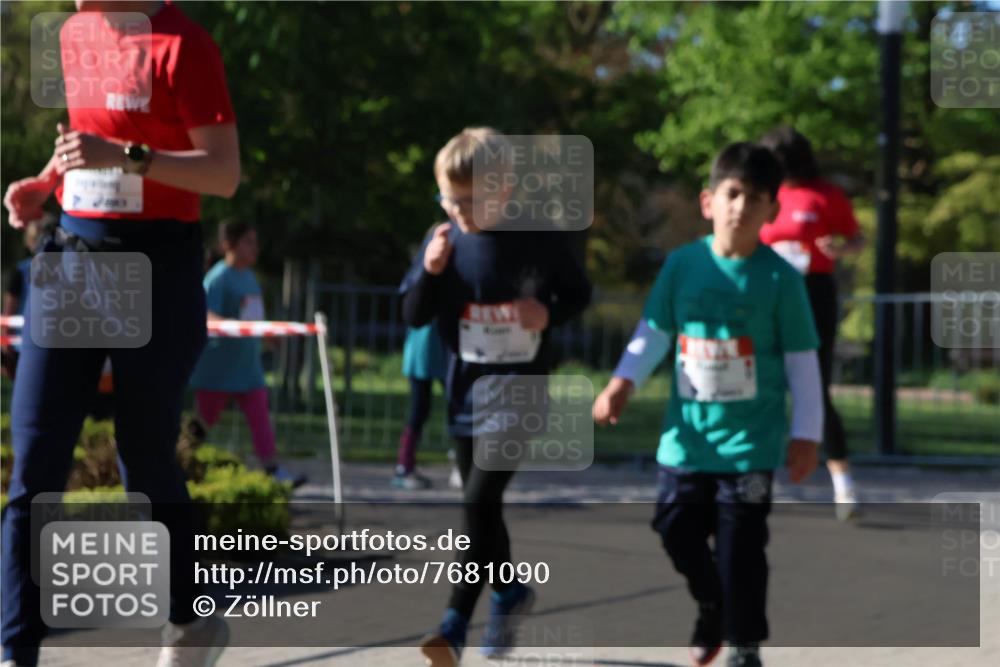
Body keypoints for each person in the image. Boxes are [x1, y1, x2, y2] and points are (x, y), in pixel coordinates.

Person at [1, 2, 240, 666]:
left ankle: (190, 620)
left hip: (156, 266)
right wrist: (46, 183)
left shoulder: (184, 45)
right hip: (73, 257)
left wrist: (129, 156)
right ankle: (14, 651)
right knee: (36, 464)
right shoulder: (76, 35)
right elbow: (87, 136)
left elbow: (222, 172)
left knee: (145, 459)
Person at [593, 142, 823, 667]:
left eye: (756, 197)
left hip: (751, 443)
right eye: (733, 193)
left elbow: (802, 361)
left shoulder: (780, 280)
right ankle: (711, 602)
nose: (741, 206)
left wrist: (806, 434)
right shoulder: (682, 265)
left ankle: (744, 644)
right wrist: (622, 382)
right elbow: (654, 330)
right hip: (688, 441)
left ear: (772, 211)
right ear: (708, 201)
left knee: (742, 547)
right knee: (674, 528)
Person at [402, 127, 591, 666]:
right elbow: (413, 314)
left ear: (504, 188)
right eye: (449, 199)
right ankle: (509, 594)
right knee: (483, 510)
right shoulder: (443, 240)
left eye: (470, 201)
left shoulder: (540, 236)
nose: (459, 211)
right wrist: (432, 272)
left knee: (478, 501)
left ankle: (454, 621)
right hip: (465, 393)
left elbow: (579, 292)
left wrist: (549, 313)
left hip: (522, 391)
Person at [758, 126, 865, 521]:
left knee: (814, 384)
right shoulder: (764, 193)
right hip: (765, 294)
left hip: (812, 292)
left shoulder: (826, 194)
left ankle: (843, 483)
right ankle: (754, 475)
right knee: (760, 378)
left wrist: (840, 247)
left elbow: (858, 239)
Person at [188, 220, 305, 487]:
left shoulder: (249, 277)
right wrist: (236, 327)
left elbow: (252, 317)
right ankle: (181, 463)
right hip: (219, 365)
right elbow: (205, 313)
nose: (255, 248)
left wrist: (266, 334)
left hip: (247, 364)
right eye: (248, 242)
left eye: (255, 242)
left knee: (260, 414)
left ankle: (271, 468)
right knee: (203, 421)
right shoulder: (218, 277)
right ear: (229, 245)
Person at [392, 320, 448, 489]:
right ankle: (404, 465)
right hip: (423, 354)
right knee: (419, 410)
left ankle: (405, 465)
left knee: (458, 407)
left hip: (438, 352)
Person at [1, 215, 56, 378]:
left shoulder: (22, 270)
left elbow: (8, 310)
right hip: (27, 343)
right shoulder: (22, 270)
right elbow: (9, 310)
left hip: (30, 343)